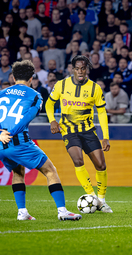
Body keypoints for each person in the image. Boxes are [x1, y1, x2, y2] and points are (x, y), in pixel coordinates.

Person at [0, 60, 81, 221]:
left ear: (13, 77)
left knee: (18, 171)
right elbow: (25, 118)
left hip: (1, 143)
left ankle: (22, 212)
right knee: (50, 170)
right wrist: (9, 133)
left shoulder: (2, 93)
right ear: (31, 78)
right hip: (17, 141)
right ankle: (62, 211)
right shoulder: (35, 95)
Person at [45, 55, 112, 213]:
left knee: (101, 165)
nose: (80, 71)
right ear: (72, 69)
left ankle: (101, 200)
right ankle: (91, 197)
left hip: (88, 131)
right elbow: (49, 104)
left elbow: (102, 113)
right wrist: (52, 121)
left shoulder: (95, 88)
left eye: (83, 68)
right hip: (68, 131)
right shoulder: (61, 85)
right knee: (78, 160)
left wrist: (106, 137)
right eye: (77, 68)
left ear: (87, 69)